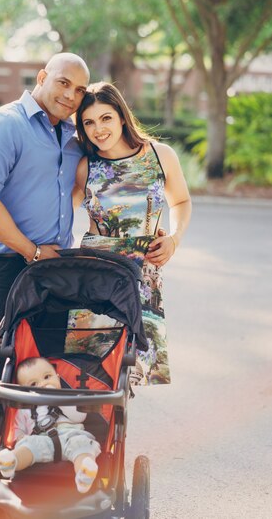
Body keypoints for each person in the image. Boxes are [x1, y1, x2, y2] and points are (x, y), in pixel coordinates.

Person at [0, 53, 90, 518]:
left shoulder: (72, 135)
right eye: (63, 83)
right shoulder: (4, 125)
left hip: (56, 272)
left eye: (78, 91)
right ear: (41, 77)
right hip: (8, 270)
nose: (70, 96)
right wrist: (31, 250)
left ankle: (33, 473)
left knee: (51, 376)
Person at [73, 82, 192, 386]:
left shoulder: (159, 154)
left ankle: (113, 431)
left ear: (122, 117)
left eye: (106, 118)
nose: (98, 129)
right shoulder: (86, 165)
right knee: (88, 366)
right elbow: (59, 209)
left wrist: (174, 239)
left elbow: (180, 200)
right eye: (89, 122)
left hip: (143, 268)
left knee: (129, 367)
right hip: (97, 269)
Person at [0, 357, 101, 493]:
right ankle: (11, 462)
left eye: (47, 377)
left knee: (84, 446)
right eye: (33, 384)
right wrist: (20, 437)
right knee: (28, 446)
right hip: (41, 440)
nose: (43, 384)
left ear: (57, 377)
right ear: (25, 391)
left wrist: (58, 399)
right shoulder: (25, 408)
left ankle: (84, 474)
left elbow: (79, 416)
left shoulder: (68, 397)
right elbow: (17, 428)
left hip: (71, 436)